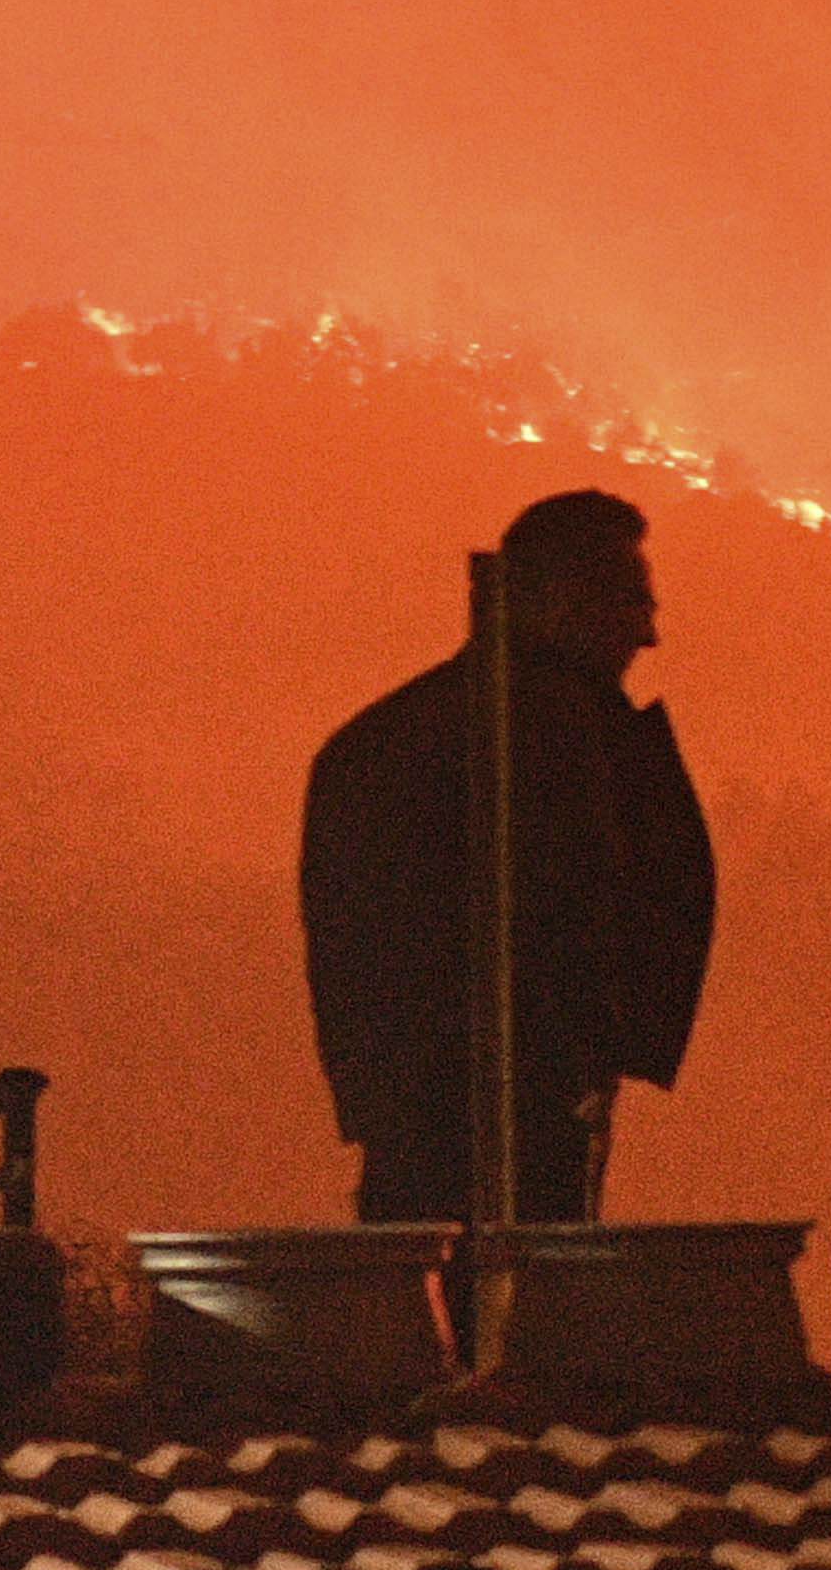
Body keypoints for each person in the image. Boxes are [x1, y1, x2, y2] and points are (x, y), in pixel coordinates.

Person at [294, 489, 713, 1226]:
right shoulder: (553, 748)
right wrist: (578, 1054)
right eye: (630, 604)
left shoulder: (374, 747)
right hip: (512, 1114)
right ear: (559, 599)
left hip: (432, 1119)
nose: (647, 636)